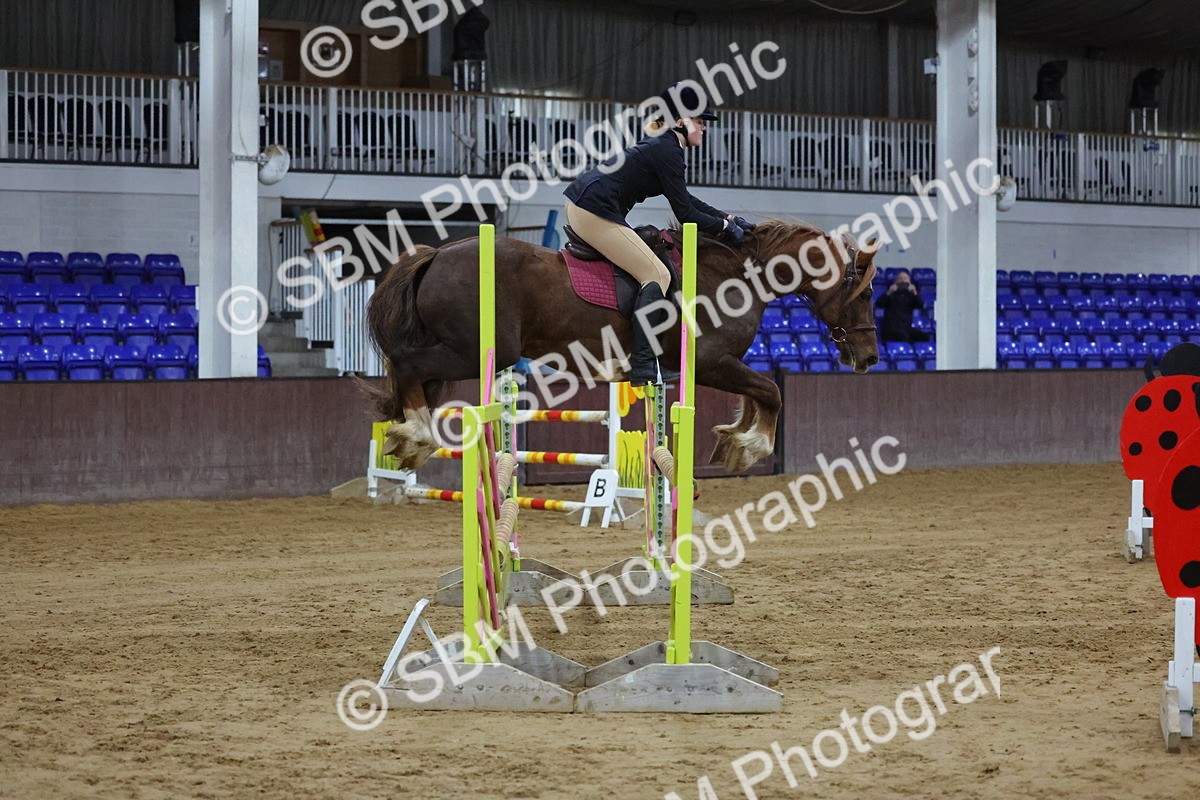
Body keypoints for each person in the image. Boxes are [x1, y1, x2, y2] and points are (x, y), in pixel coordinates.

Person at [563, 82, 752, 386]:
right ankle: (643, 365)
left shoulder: (664, 144)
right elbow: (686, 215)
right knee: (657, 275)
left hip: (587, 203)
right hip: (593, 209)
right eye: (699, 122)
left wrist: (727, 218)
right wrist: (727, 229)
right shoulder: (667, 151)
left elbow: (688, 201)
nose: (704, 129)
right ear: (680, 121)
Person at [875, 270, 930, 343]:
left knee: (925, 337)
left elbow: (920, 305)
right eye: (900, 278)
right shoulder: (890, 294)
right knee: (904, 337)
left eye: (905, 278)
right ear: (896, 281)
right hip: (891, 330)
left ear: (909, 281)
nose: (903, 281)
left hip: (906, 328)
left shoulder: (911, 295)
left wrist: (915, 293)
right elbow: (878, 304)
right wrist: (889, 292)